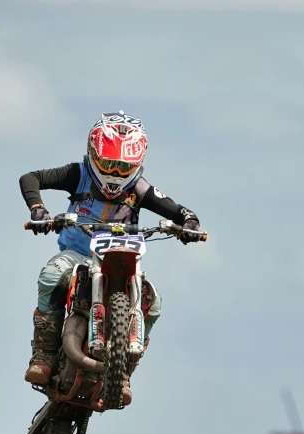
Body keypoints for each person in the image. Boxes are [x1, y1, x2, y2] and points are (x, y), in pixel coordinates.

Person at [19, 110, 202, 405]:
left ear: (137, 164)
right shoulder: (77, 174)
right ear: (93, 153)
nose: (115, 173)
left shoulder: (140, 188)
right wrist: (38, 209)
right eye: (108, 164)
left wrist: (189, 224)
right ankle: (42, 355)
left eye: (123, 167)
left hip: (123, 256)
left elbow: (178, 210)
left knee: (152, 304)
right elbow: (31, 178)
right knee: (51, 276)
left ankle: (124, 372)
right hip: (78, 254)